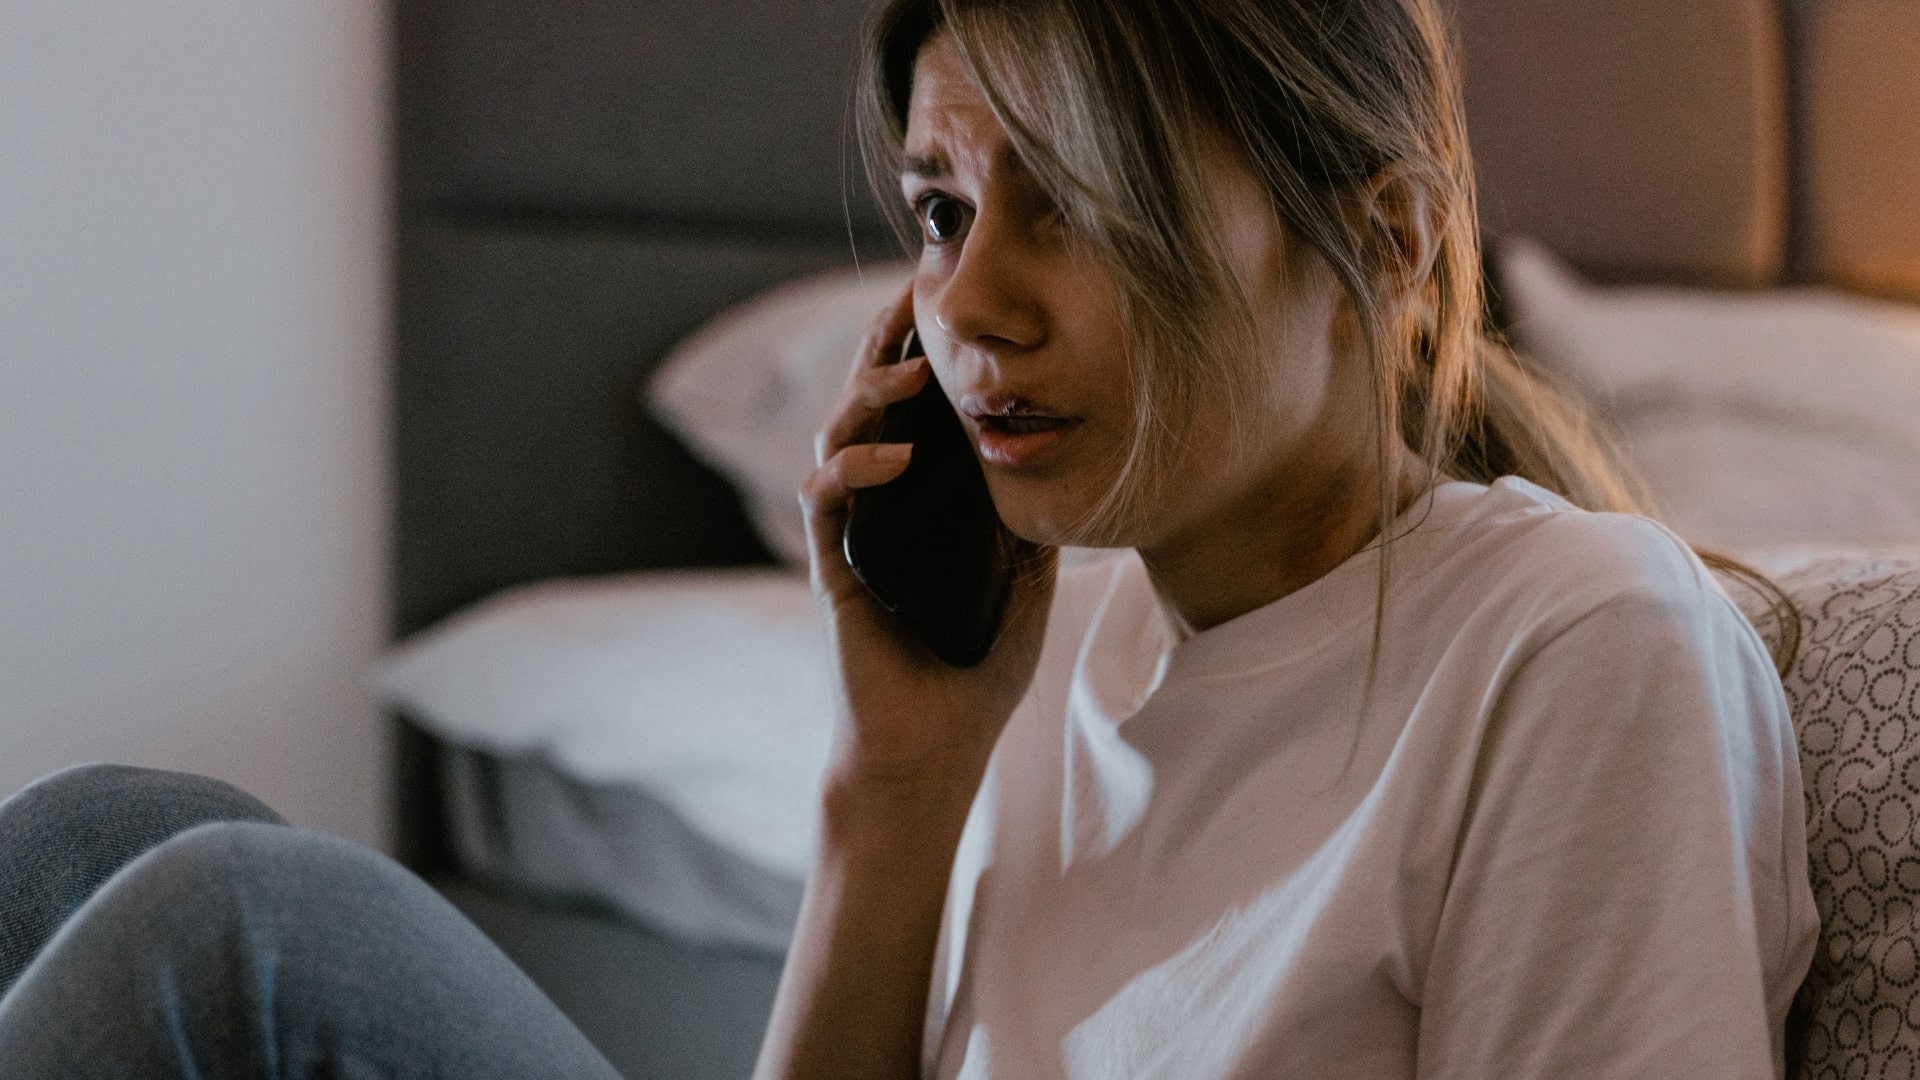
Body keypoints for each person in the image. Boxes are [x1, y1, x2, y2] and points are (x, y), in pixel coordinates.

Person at [0, 1, 1816, 1078]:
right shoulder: (1069, 641)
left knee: (233, 933)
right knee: (111, 832)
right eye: (945, 210)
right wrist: (899, 782)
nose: (972, 308)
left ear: (1396, 240)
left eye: (1084, 208)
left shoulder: (1576, 645)